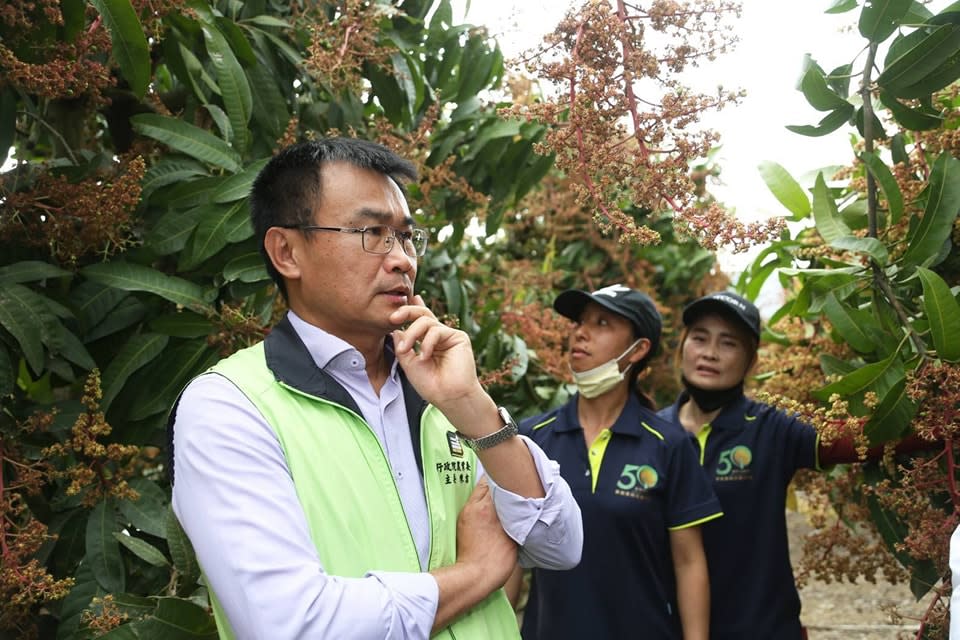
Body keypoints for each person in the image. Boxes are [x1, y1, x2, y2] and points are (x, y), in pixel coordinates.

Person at [168, 137, 583, 640]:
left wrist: (471, 405)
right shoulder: (232, 406)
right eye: (371, 232)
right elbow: (293, 626)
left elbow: (560, 545)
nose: (402, 259)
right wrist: (477, 572)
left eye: (406, 237)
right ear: (287, 252)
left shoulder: (440, 388)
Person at [657, 290, 933, 639]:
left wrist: (939, 420)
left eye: (729, 343)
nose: (710, 353)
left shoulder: (771, 427)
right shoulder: (651, 434)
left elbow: (856, 438)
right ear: (681, 346)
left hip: (765, 629)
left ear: (752, 362)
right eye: (699, 338)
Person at [518, 284, 723, 640]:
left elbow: (689, 564)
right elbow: (509, 557)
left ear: (638, 349)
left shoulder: (669, 445)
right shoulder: (533, 438)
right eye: (580, 321)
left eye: (601, 323)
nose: (580, 332)